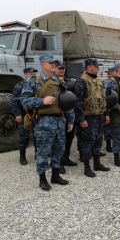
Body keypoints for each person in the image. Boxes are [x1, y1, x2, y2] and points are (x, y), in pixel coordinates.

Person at [20, 54, 74, 191]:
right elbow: (24, 99)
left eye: (53, 63)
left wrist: (70, 120)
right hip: (44, 123)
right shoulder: (35, 80)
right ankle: (42, 179)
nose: (53, 65)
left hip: (60, 122)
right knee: (43, 152)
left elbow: (66, 101)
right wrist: (41, 101)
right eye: (50, 63)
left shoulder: (58, 80)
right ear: (42, 64)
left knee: (58, 150)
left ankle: (55, 176)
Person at [74, 58, 111, 178]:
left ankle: (97, 163)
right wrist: (81, 119)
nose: (98, 68)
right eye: (96, 66)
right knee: (87, 143)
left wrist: (106, 114)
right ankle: (87, 167)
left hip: (99, 116)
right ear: (89, 67)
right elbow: (78, 102)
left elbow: (103, 99)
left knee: (98, 141)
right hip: (88, 118)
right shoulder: (82, 81)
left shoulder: (99, 81)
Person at [53, 61, 80, 174]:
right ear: (54, 69)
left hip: (69, 115)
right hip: (57, 116)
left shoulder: (68, 82)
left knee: (68, 139)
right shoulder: (52, 82)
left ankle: (66, 158)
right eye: (59, 68)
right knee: (58, 141)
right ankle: (59, 164)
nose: (62, 70)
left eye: (63, 68)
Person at [10, 67, 38, 165]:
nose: (33, 76)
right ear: (25, 75)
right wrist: (17, 114)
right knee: (24, 136)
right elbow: (13, 101)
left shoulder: (37, 84)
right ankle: (22, 157)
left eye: (34, 75)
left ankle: (37, 154)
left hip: (36, 114)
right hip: (25, 114)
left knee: (38, 135)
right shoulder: (20, 86)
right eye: (31, 75)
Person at [103, 66, 116, 152]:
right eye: (114, 71)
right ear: (111, 73)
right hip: (109, 107)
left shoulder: (116, 81)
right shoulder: (106, 82)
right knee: (108, 127)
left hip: (115, 107)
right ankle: (108, 144)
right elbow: (106, 95)